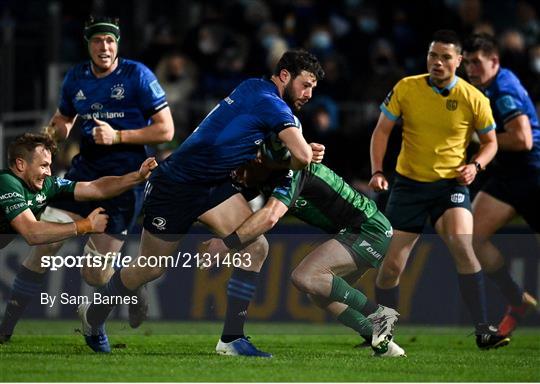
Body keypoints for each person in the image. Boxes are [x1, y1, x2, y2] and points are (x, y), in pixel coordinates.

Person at [76, 50, 325, 355]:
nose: (309, 94)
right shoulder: (271, 102)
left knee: (255, 247)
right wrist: (305, 154)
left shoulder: (252, 86)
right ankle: (94, 314)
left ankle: (232, 339)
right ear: (284, 76)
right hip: (175, 186)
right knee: (150, 269)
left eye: (313, 88)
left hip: (211, 184)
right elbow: (300, 158)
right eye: (306, 84)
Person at [0, 15, 174, 341]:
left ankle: (132, 286)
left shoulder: (138, 75)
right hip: (84, 174)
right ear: (89, 44)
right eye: (97, 41)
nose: (103, 47)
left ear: (117, 43)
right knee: (46, 241)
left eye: (109, 41)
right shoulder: (76, 77)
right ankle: (5, 329)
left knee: (94, 273)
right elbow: (63, 119)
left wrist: (118, 137)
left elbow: (166, 130)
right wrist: (51, 136)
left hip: (126, 181)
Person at [368, 30, 507, 349]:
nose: (438, 62)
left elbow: (490, 143)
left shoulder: (474, 98)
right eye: (433, 55)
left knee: (462, 245)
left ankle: (483, 330)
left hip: (450, 187)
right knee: (391, 266)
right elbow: (381, 131)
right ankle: (383, 334)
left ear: (459, 61)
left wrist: (476, 165)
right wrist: (377, 171)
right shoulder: (406, 87)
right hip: (409, 185)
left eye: (446, 57)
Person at [203, 153, 406, 357]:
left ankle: (380, 315)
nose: (238, 175)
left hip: (369, 229)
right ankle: (381, 343)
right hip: (356, 230)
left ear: (260, 161)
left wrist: (226, 243)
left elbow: (269, 217)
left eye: (242, 168)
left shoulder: (290, 175)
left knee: (306, 277)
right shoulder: (266, 175)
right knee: (319, 292)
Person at [0, 133, 157, 342]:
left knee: (94, 273)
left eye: (49, 166)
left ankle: (4, 332)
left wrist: (136, 177)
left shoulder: (47, 186)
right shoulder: (6, 182)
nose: (48, 172)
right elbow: (32, 232)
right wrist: (85, 225)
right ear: (20, 164)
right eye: (43, 166)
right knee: (46, 242)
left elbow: (96, 188)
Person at [462, 33, 539, 336]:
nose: (471, 68)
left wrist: (476, 139)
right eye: (467, 63)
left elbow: (522, 139)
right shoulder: (482, 88)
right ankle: (516, 300)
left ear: (494, 61)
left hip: (533, 177)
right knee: (470, 237)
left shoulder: (504, 88)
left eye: (477, 62)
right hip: (507, 178)